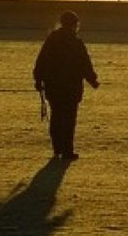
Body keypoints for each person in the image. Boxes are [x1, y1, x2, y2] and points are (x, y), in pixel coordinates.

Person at [33, 11, 99, 161]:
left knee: (56, 116)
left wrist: (38, 80)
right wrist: (92, 80)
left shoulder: (51, 40)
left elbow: (41, 61)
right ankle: (68, 150)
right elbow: (85, 65)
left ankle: (57, 149)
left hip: (53, 86)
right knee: (69, 119)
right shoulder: (76, 43)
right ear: (74, 25)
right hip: (71, 88)